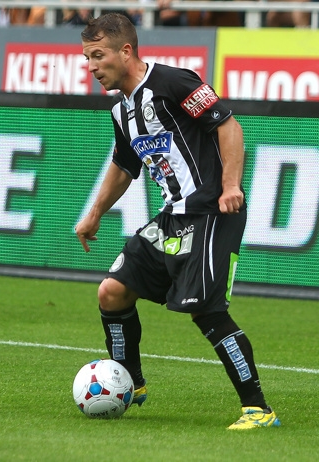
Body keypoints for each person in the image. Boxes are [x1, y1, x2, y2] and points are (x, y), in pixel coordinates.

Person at [76, 13, 280, 430]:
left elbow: (228, 125)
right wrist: (94, 214)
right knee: (112, 292)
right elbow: (124, 164)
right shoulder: (122, 111)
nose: (92, 66)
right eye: (87, 58)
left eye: (98, 56)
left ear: (126, 50)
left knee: (206, 311)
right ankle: (130, 381)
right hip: (172, 216)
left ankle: (258, 409)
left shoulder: (174, 83)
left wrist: (229, 186)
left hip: (210, 212)